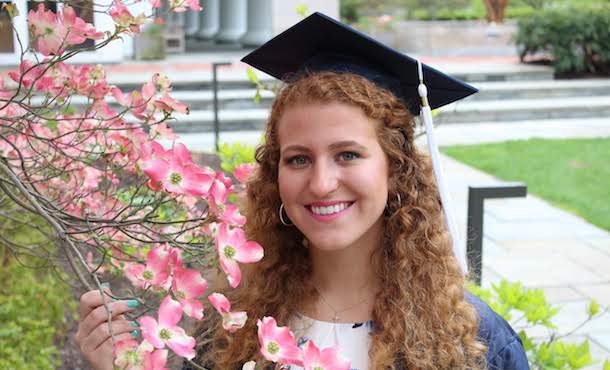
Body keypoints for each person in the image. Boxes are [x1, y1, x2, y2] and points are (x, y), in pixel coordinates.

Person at [76, 13, 529, 370]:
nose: (321, 182)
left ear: (396, 170)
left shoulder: (473, 341)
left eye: (348, 154)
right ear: (276, 175)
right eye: (298, 159)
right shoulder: (233, 328)